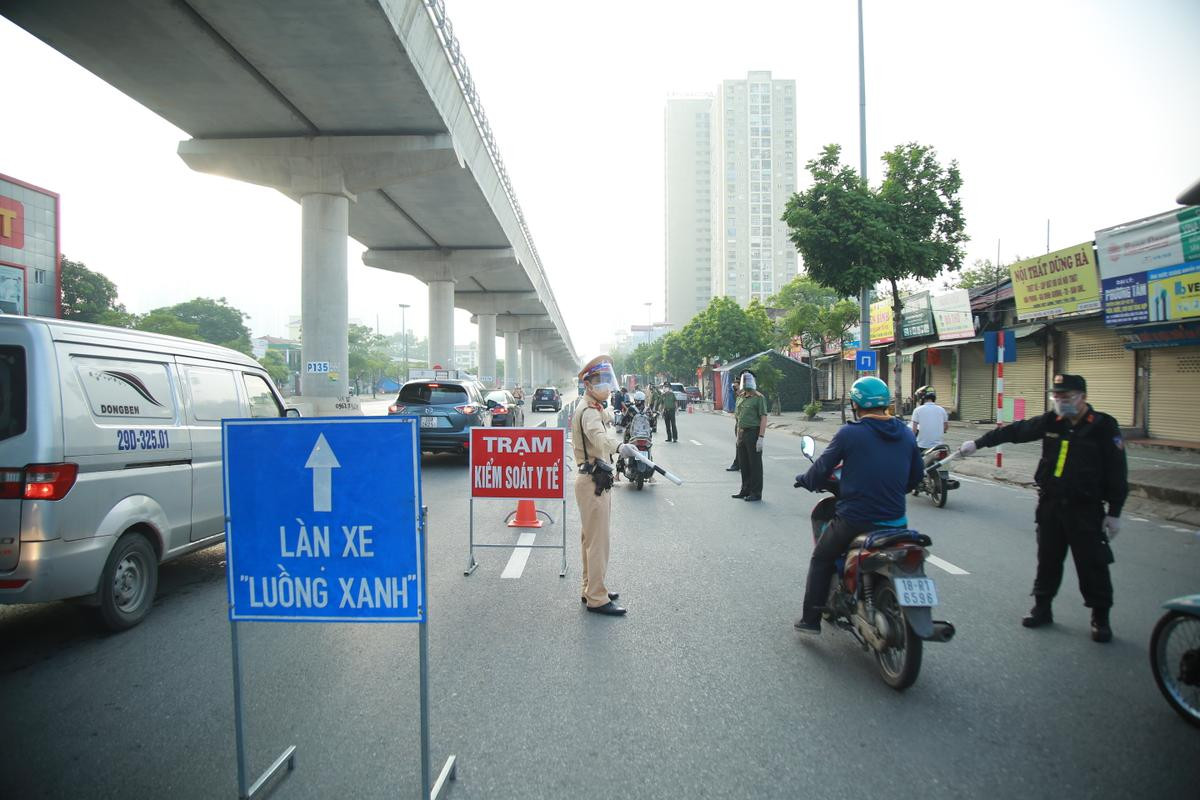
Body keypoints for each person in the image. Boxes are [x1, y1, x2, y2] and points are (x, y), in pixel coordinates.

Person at [958, 373, 1127, 642]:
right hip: (1050, 505)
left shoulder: (1103, 426)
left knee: (1092, 564)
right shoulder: (1053, 421)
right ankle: (1042, 607)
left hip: (1085, 508)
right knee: (1048, 560)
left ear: (1082, 397)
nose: (1060, 401)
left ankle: (1100, 616)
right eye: (1056, 396)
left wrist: (1115, 512)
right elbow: (1015, 431)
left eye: (1066, 396)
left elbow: (1118, 471)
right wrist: (978, 443)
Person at [793, 376, 924, 633]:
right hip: (896, 521)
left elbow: (821, 469)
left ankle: (810, 620)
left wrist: (806, 480)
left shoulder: (850, 433)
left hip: (855, 519)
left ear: (855, 405)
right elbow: (916, 477)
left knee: (821, 557)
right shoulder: (906, 434)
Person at [572, 355, 638, 616]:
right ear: (588, 385)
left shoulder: (595, 407)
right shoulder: (588, 412)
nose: (606, 386)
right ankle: (597, 598)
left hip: (593, 479)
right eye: (601, 382)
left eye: (607, 380)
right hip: (592, 482)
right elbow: (599, 439)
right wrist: (620, 446)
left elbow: (606, 417)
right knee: (598, 542)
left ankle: (591, 587)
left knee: (590, 539)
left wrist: (619, 414)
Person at [731, 371, 769, 502]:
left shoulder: (759, 398)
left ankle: (756, 492)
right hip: (741, 432)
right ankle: (745, 489)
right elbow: (739, 416)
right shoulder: (741, 396)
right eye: (744, 380)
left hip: (753, 432)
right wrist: (738, 436)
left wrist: (761, 437)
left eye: (748, 380)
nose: (745, 382)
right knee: (744, 463)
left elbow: (763, 417)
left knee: (755, 464)